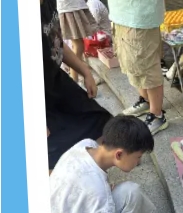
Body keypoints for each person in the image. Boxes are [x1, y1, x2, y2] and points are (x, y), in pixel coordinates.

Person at [42, 0, 112, 172]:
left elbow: (57, 42)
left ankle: (94, 177)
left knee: (101, 121)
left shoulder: (49, 3)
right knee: (51, 152)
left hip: (55, 79)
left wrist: (85, 71)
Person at [108, 0, 168, 135]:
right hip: (121, 14)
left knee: (146, 65)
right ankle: (145, 101)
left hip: (140, 14)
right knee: (132, 61)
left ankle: (157, 116)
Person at [56, 0, 97, 84]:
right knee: (78, 46)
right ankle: (75, 80)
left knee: (78, 46)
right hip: (69, 8)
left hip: (73, 7)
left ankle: (76, 79)